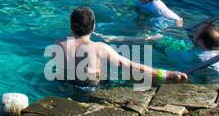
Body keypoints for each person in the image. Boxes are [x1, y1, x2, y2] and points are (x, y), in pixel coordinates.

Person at [49, 7, 188, 84]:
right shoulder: (99, 48)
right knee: (130, 76)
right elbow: (131, 65)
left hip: (65, 84)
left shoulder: (58, 44)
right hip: (90, 88)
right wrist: (168, 73)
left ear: (71, 26)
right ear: (93, 27)